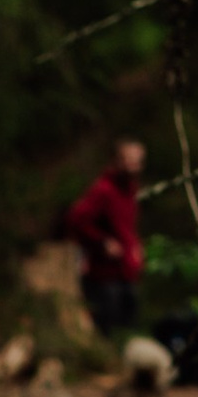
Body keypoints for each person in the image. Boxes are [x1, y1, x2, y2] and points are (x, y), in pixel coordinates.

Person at [65, 136, 147, 340]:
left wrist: (135, 246)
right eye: (130, 160)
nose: (134, 166)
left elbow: (126, 227)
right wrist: (102, 242)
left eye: (138, 161)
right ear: (118, 160)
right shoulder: (104, 190)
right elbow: (76, 219)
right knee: (106, 327)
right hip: (103, 274)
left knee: (128, 322)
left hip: (126, 272)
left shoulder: (130, 191)